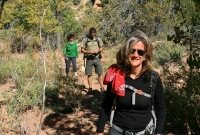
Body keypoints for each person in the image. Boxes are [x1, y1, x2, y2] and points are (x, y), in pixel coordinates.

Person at [96, 30, 166, 135]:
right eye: (132, 51)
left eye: (140, 52)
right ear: (126, 53)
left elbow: (161, 108)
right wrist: (100, 130)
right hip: (117, 131)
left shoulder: (153, 78)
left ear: (145, 56)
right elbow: (107, 104)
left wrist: (158, 132)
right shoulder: (117, 75)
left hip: (144, 132)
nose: (135, 54)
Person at [81, 27, 105, 93]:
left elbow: (102, 47)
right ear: (89, 33)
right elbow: (82, 49)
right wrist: (89, 52)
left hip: (97, 58)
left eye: (94, 34)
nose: (93, 35)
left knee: (100, 73)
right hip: (89, 59)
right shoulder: (85, 40)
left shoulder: (98, 39)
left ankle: (102, 87)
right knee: (89, 74)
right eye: (92, 34)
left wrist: (98, 51)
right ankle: (90, 88)